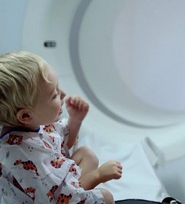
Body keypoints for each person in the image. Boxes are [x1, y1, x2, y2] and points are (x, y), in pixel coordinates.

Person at [0, 51, 123, 203]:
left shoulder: (30, 125)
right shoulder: (25, 156)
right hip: (53, 197)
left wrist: (75, 119)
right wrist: (97, 175)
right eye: (54, 95)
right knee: (106, 197)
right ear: (25, 116)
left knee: (87, 155)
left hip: (54, 183)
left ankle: (80, 186)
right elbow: (59, 199)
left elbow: (61, 142)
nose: (63, 94)